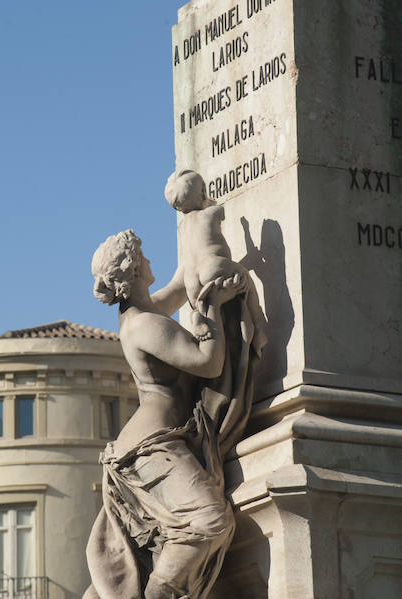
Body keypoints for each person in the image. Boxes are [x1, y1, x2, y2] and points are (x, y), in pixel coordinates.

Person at [83, 229, 261, 599]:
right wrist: (212, 305)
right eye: (142, 256)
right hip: (150, 449)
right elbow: (207, 363)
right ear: (133, 269)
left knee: (172, 538)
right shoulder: (144, 324)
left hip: (159, 441)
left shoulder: (143, 311)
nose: (149, 260)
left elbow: (180, 285)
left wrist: (202, 251)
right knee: (208, 519)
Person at [164, 169, 267, 350]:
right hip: (212, 264)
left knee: (201, 305)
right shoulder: (210, 213)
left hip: (191, 277)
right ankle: (259, 326)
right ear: (202, 192)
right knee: (247, 280)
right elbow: (221, 211)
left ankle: (197, 316)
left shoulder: (182, 225)